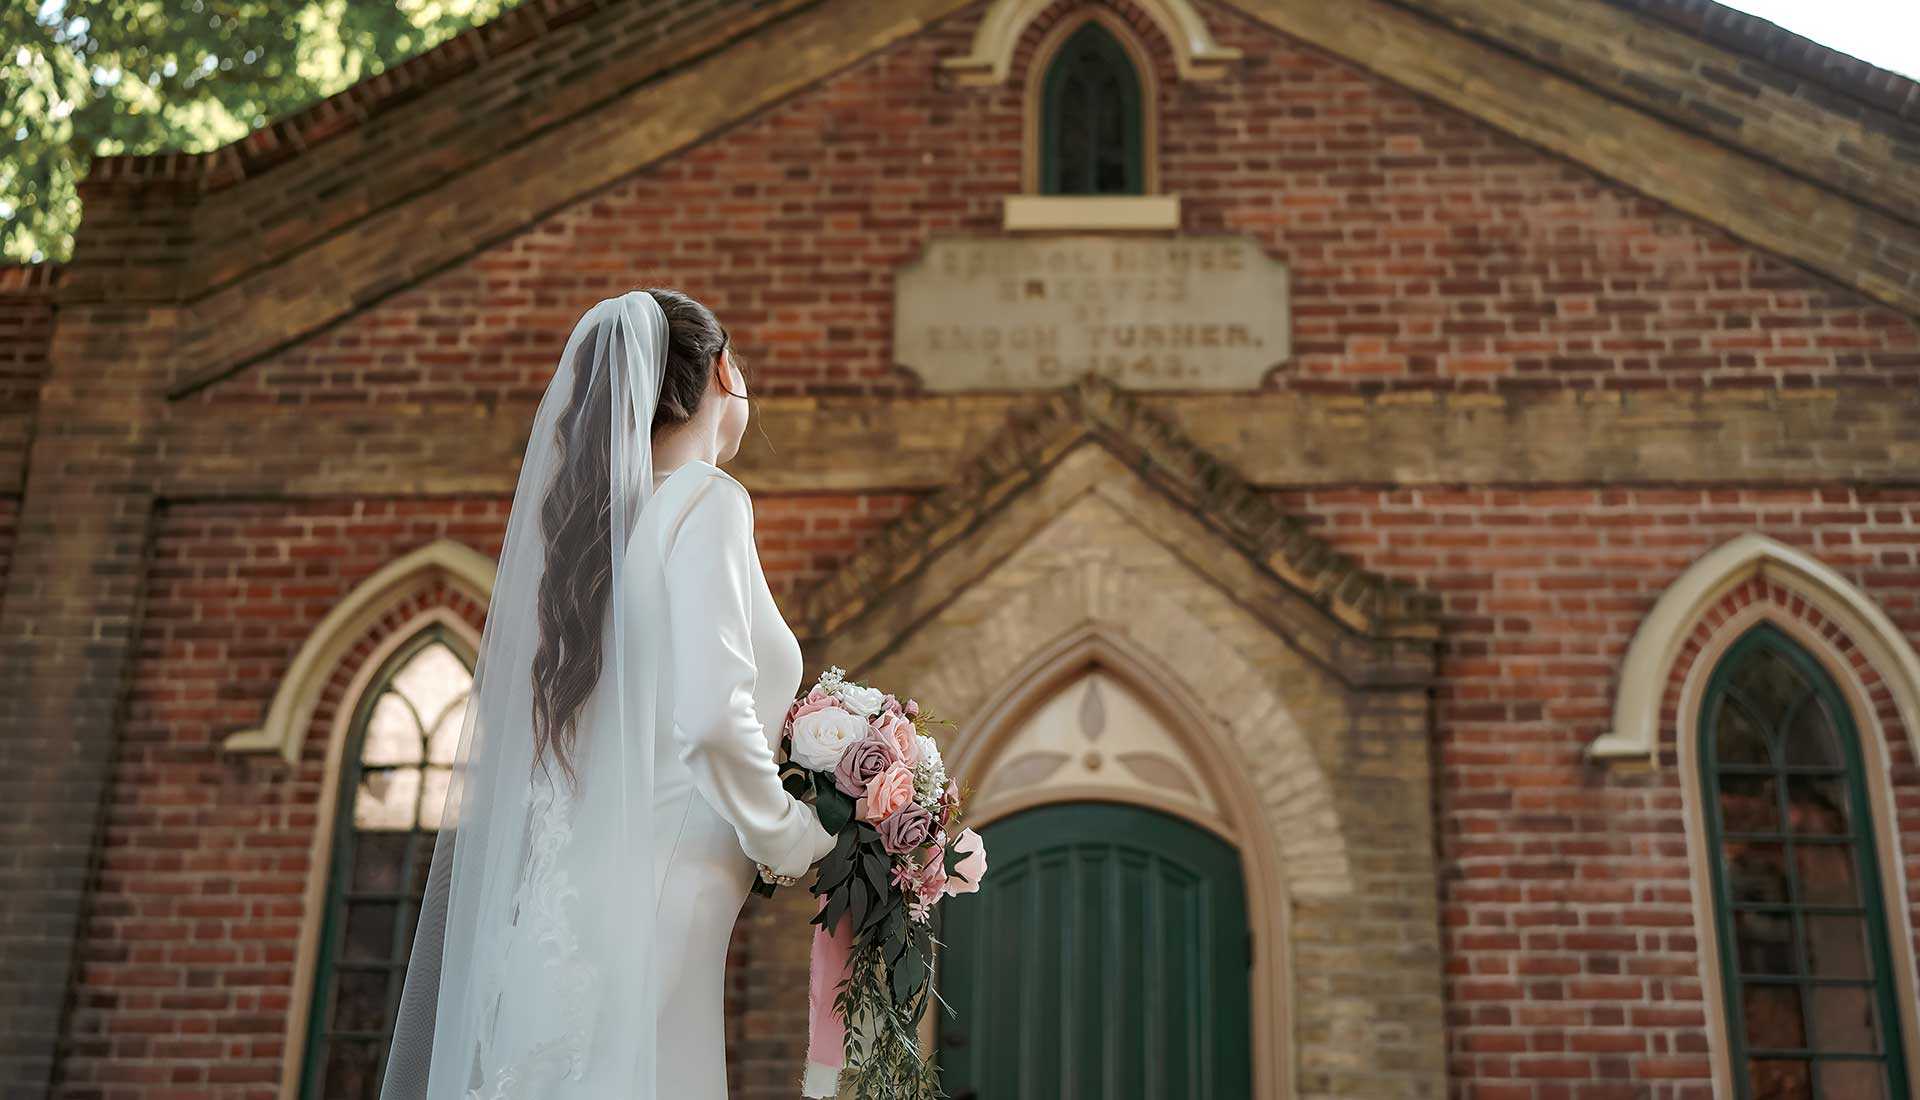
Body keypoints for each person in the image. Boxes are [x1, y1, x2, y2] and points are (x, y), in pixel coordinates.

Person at [379, 288, 838, 1100]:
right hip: (664, 900)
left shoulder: (597, 540)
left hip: (576, 912)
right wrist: (795, 836)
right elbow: (710, 718)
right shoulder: (705, 499)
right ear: (723, 374)